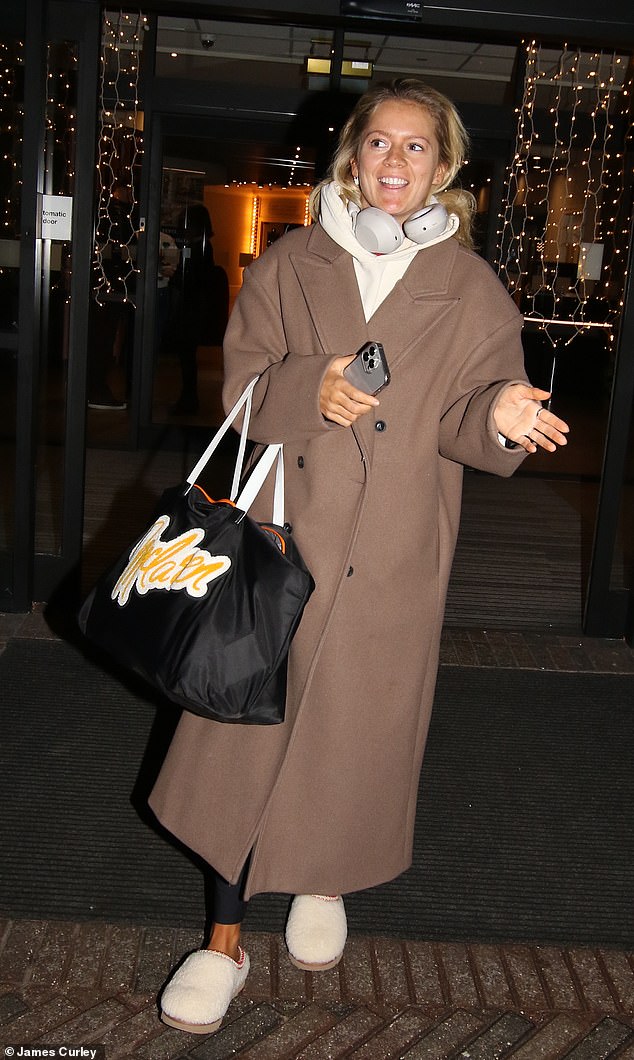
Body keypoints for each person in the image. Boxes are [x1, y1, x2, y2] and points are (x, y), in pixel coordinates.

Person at [149, 78, 569, 1035]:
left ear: (447, 168)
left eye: (417, 149)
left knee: (356, 735)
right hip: (279, 540)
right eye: (380, 144)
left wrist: (500, 413)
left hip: (391, 552)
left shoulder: (470, 289)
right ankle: (221, 940)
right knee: (239, 733)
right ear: (353, 155)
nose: (395, 163)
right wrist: (311, 389)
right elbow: (242, 396)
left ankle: (324, 877)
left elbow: (471, 413)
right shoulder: (294, 262)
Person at [166, 203, 229, 415]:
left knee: (187, 358)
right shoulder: (203, 247)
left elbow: (190, 281)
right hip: (195, 311)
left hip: (192, 312)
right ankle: (188, 399)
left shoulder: (196, 249)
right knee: (187, 358)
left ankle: (189, 399)